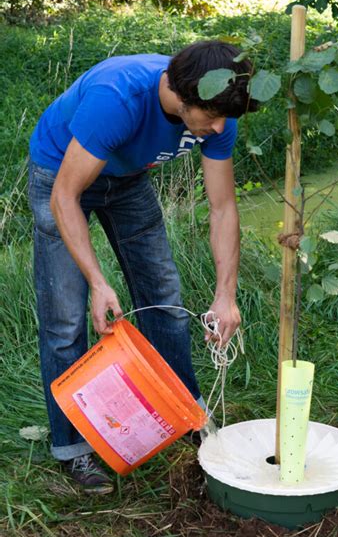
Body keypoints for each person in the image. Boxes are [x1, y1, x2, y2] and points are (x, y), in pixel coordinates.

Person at [28, 40, 258, 494]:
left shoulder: (217, 107)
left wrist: (225, 294)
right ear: (180, 96)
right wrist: (97, 281)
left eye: (223, 118)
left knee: (163, 299)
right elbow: (64, 198)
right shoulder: (118, 98)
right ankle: (73, 449)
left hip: (128, 180)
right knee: (66, 320)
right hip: (61, 173)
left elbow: (223, 208)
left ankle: (187, 415)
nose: (218, 127)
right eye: (210, 117)